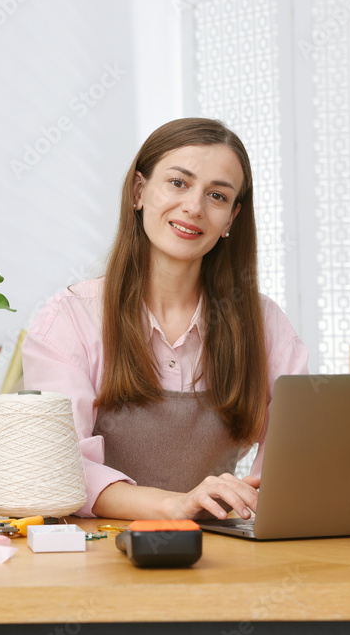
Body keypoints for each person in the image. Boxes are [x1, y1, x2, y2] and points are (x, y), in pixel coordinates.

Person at [21, 117, 308, 520]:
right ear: (138, 191)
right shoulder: (70, 319)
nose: (194, 207)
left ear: (231, 219)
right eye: (178, 183)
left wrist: (257, 498)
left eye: (217, 196)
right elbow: (60, 468)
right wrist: (173, 505)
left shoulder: (265, 324)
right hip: (102, 548)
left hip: (217, 547)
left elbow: (295, 451)